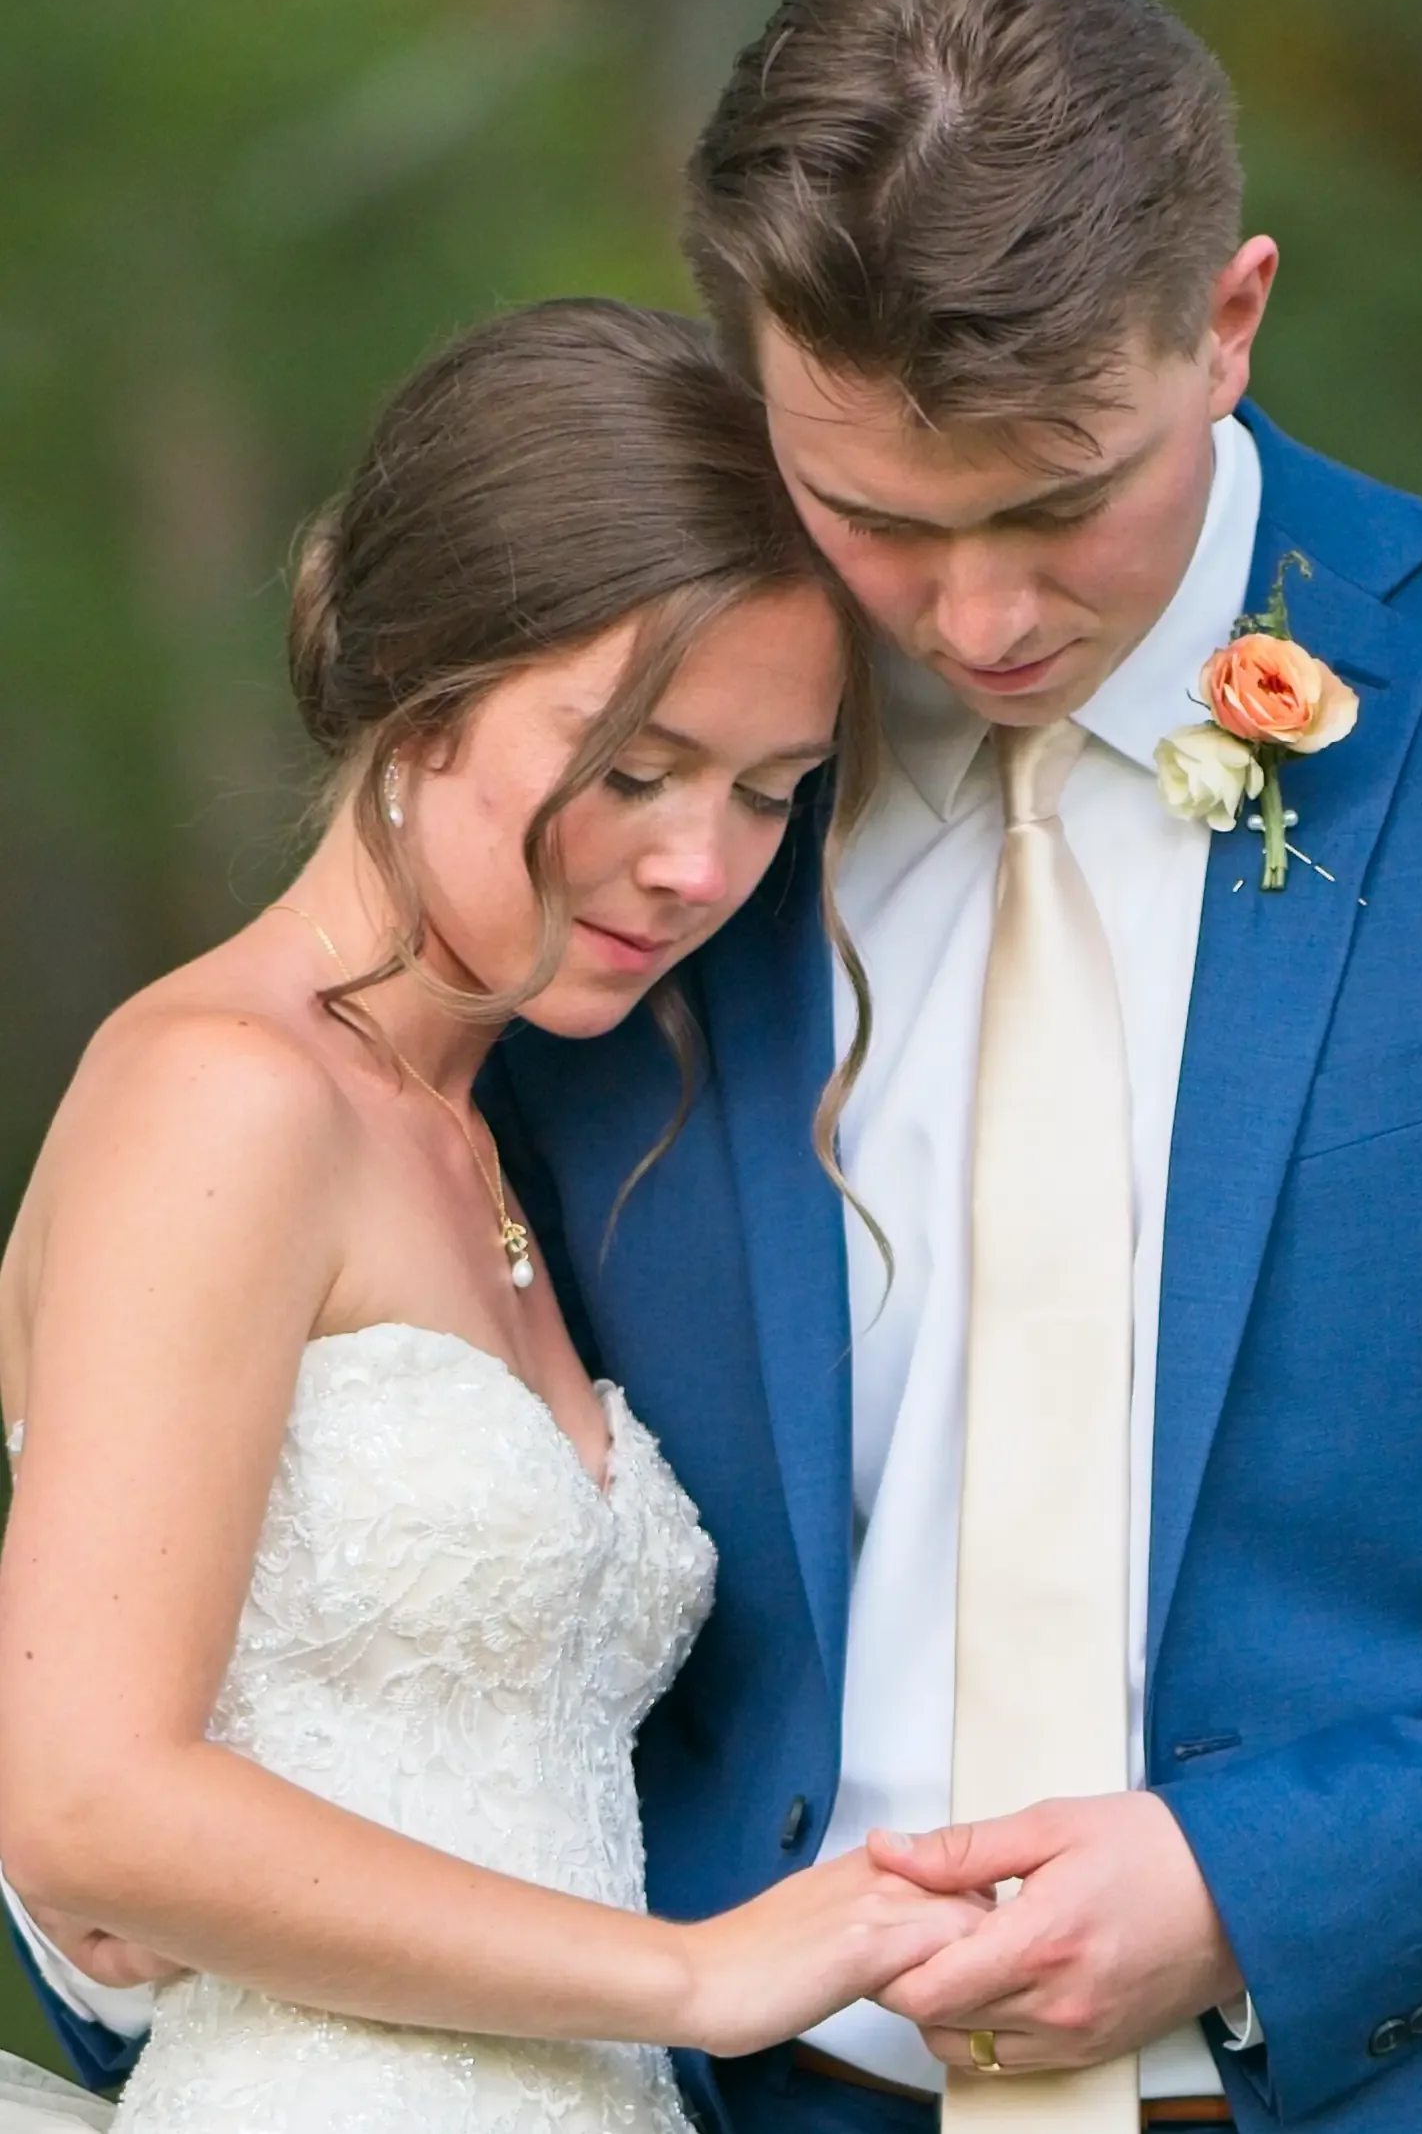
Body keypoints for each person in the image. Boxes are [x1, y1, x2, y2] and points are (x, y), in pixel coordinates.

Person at [22, 0, 1422, 2134]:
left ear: (1227, 321)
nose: (976, 615)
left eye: (1062, 503)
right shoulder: (670, 810)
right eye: (872, 514)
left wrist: (1257, 1880)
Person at [0, 299, 984, 2133]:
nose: (699, 865)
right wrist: (706, 1971)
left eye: (772, 793)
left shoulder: (493, 1119)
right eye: (633, 768)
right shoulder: (222, 1093)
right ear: (417, 676)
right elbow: (80, 1804)